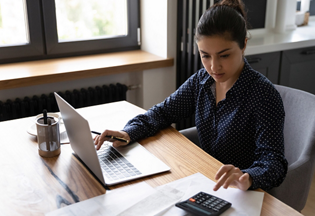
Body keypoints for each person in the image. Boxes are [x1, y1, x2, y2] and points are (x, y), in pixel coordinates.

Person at [95, 0, 287, 192]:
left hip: (243, 194)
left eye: (224, 55)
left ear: (243, 44)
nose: (214, 66)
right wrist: (128, 133)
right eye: (205, 55)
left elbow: (274, 162)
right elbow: (162, 112)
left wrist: (248, 176)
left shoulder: (263, 95)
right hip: (204, 181)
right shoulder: (202, 81)